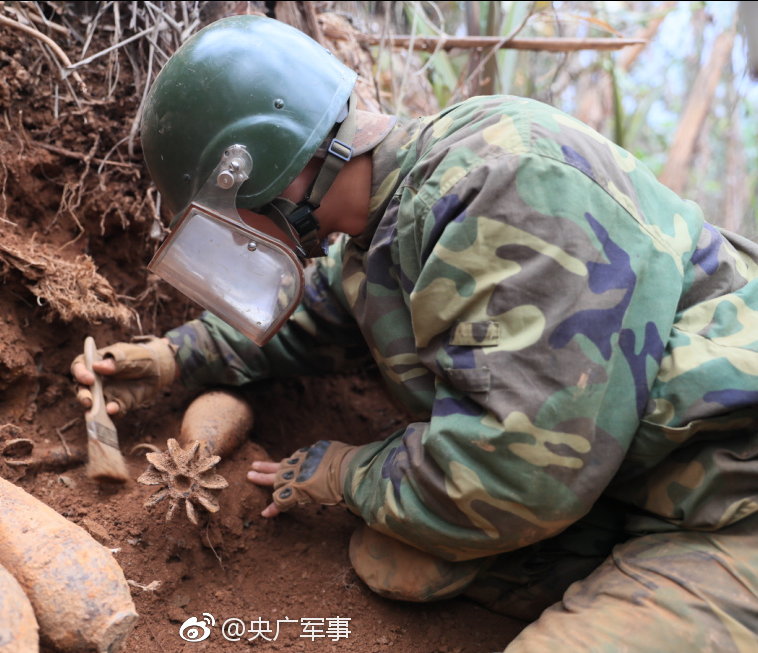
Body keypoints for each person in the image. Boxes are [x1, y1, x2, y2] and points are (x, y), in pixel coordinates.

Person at [72, 14, 758, 652]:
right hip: (639, 485)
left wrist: (344, 473)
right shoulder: (389, 224)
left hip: (732, 499)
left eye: (226, 217)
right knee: (397, 558)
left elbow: (509, 475)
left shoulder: (505, 185)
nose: (236, 238)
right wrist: (170, 358)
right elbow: (307, 318)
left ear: (262, 170)